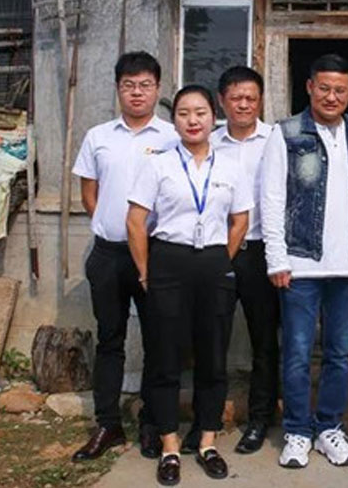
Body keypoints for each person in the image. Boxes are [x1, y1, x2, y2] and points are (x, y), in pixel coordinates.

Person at [127, 85, 252, 486]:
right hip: (168, 260)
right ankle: (169, 445)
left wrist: (220, 260)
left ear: (214, 117)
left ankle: (207, 442)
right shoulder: (158, 164)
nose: (193, 120)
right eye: (183, 113)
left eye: (200, 113)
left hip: (213, 262)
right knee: (166, 356)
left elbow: (240, 220)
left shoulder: (231, 167)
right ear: (175, 120)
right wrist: (146, 271)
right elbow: (136, 221)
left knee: (213, 356)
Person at [260, 54, 348, 469]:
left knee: (339, 354)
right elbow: (272, 198)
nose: (331, 96)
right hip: (300, 266)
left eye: (339, 90)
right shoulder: (287, 133)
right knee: (296, 353)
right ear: (309, 87)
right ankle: (296, 430)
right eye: (324, 88)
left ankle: (329, 428)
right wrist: (277, 259)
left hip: (346, 268)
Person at [71, 51, 177, 462]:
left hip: (155, 255)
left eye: (145, 85)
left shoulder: (171, 137)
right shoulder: (98, 136)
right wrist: (110, 225)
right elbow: (89, 194)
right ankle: (108, 424)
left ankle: (151, 423)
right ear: (118, 89)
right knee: (110, 339)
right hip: (108, 256)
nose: (137, 93)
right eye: (129, 85)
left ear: (157, 88)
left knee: (157, 340)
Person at [206, 66, 280, 455]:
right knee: (211, 336)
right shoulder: (209, 142)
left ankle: (259, 419)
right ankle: (206, 419)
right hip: (217, 250)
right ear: (222, 101)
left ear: (260, 101)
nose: (244, 105)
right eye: (236, 98)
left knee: (264, 341)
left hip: (262, 251)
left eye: (251, 98)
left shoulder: (276, 140)